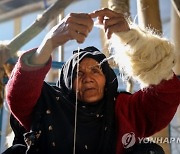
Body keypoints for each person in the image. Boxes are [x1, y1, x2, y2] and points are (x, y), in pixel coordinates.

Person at [4, 8, 180, 154]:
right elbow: (19, 96)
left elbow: (167, 94)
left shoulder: (126, 110)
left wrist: (132, 39)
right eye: (78, 73)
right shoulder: (47, 105)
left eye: (95, 70)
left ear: (108, 80)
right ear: (67, 83)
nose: (87, 78)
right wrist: (49, 43)